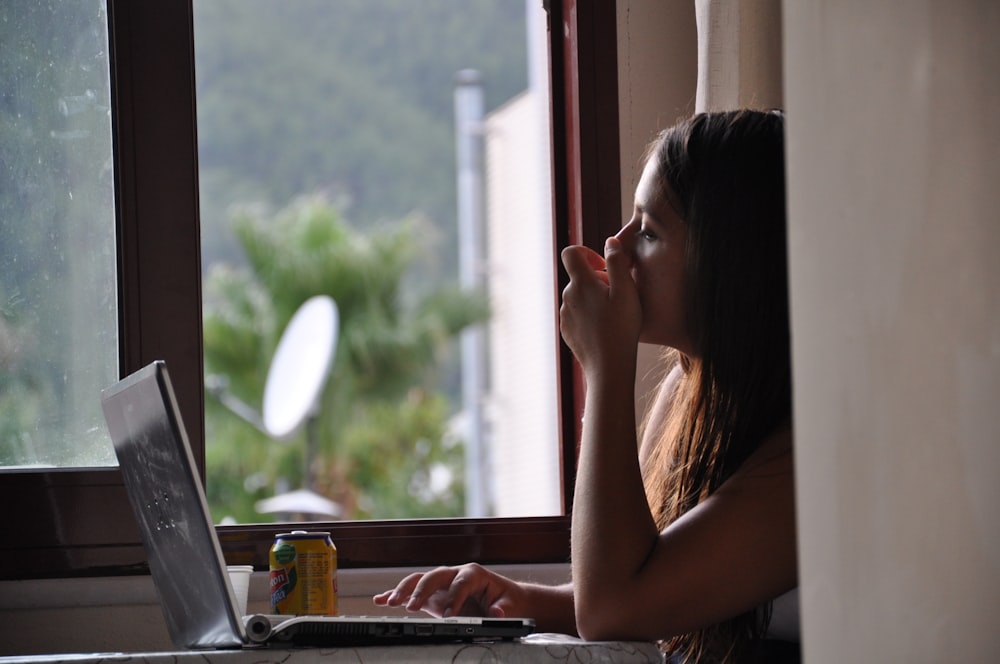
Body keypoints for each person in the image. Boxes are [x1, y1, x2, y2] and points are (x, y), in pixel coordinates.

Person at [374, 109, 797, 663]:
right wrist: (521, 599)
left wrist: (606, 369)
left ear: (729, 261)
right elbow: (638, 583)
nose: (615, 247)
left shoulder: (806, 451)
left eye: (647, 232)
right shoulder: (687, 393)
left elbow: (614, 607)